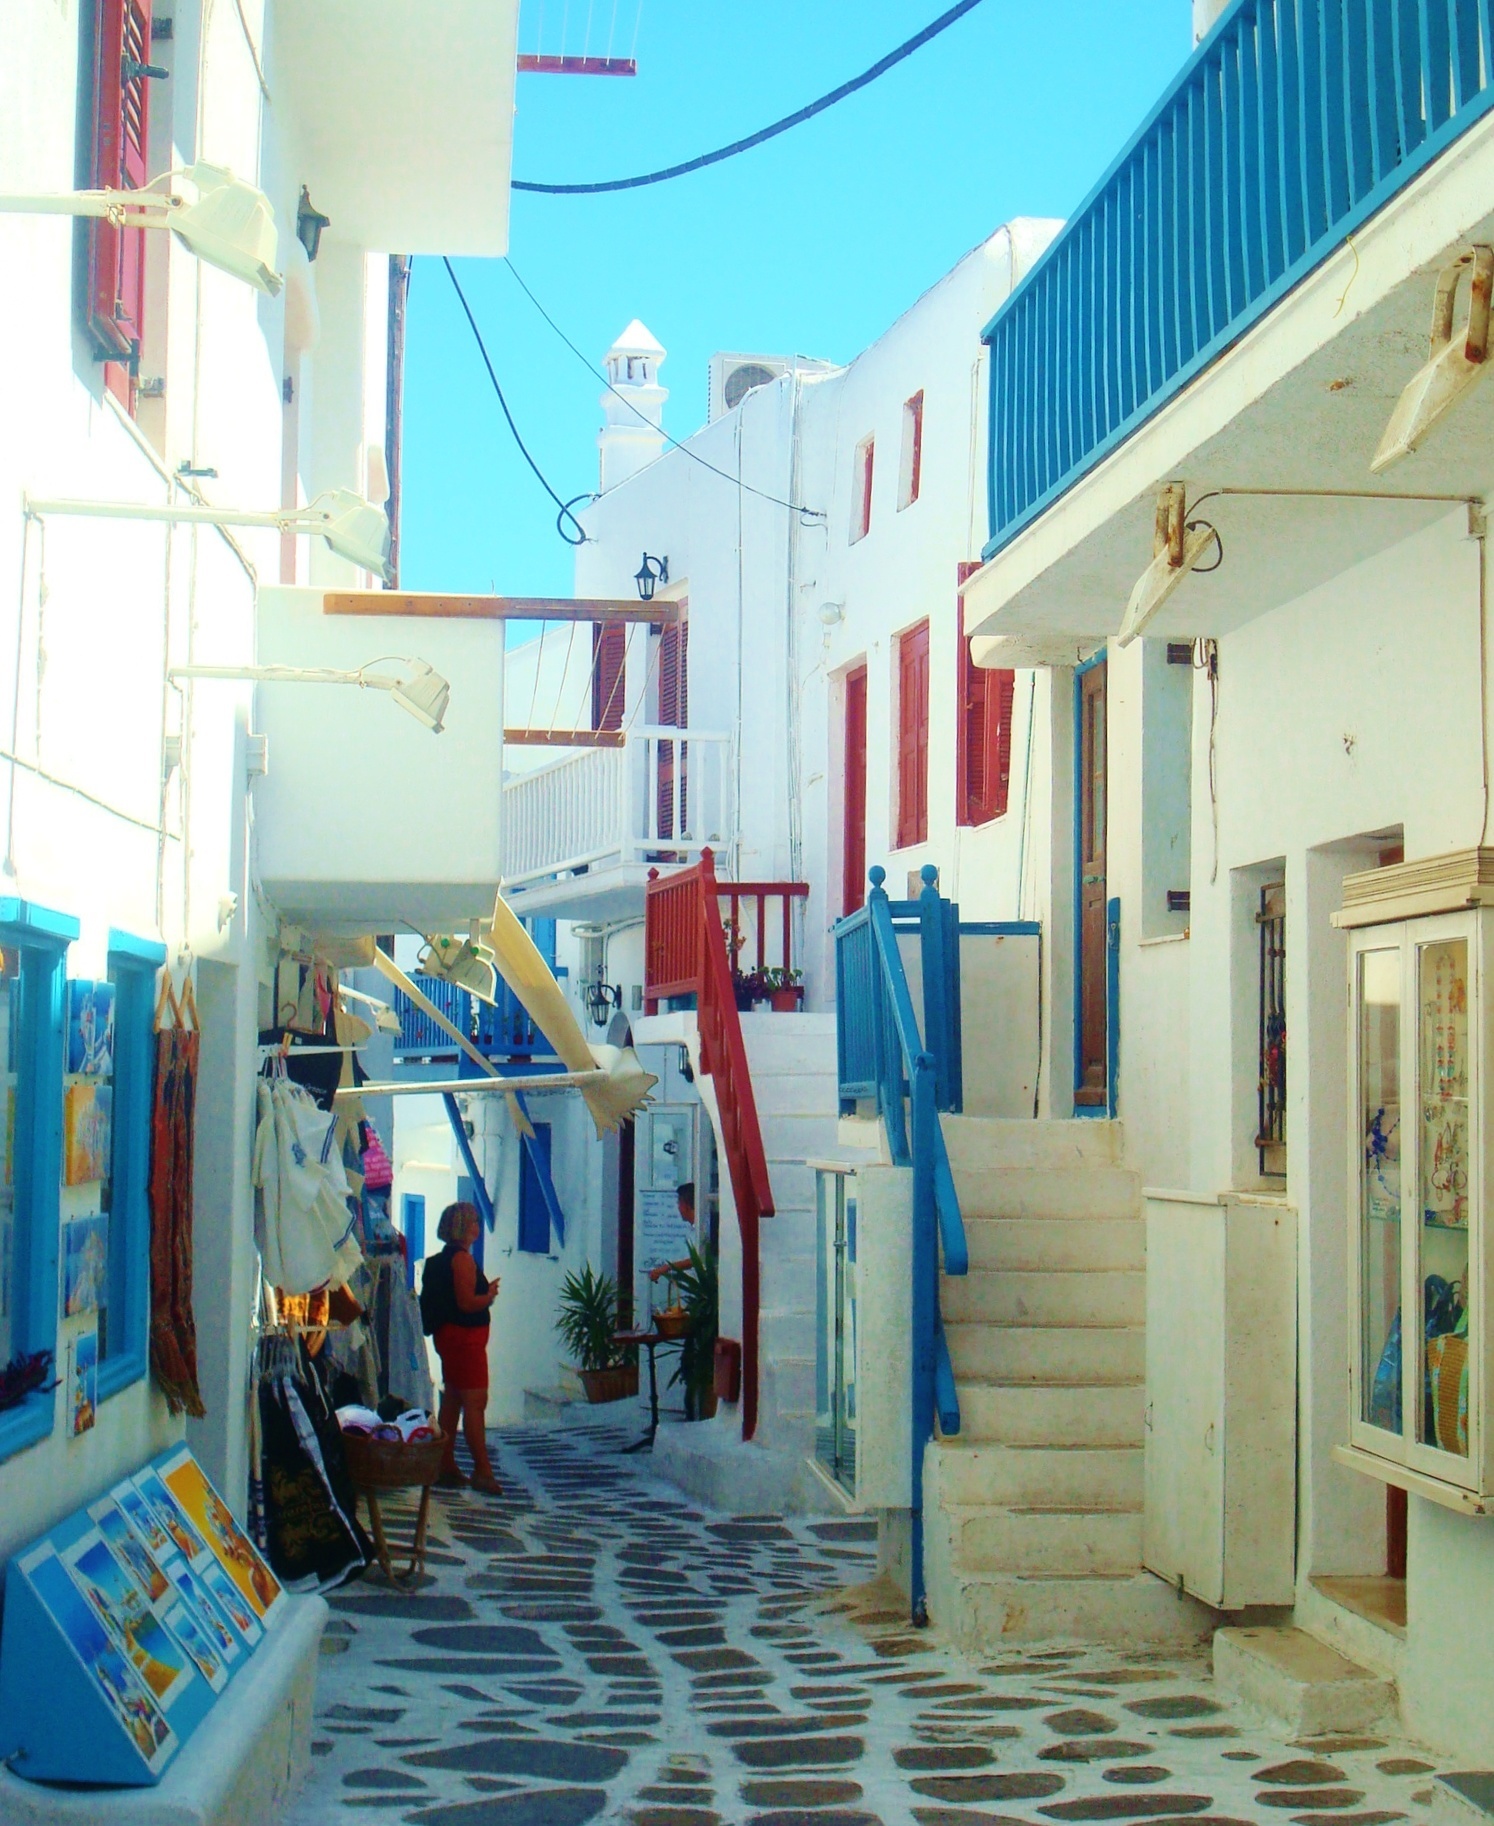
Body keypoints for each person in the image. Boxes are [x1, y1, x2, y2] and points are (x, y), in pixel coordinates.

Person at [422, 1202, 501, 1494]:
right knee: (475, 1403)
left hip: (451, 1339)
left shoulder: (443, 1260)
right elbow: (467, 1303)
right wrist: (489, 1295)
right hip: (465, 1341)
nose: (477, 1228)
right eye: (473, 1223)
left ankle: (445, 1464)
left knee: (453, 1399)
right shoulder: (462, 1260)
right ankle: (482, 1469)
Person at [647, 1181, 697, 1288]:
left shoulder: (701, 1230)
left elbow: (696, 1259)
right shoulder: (691, 1229)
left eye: (679, 1203)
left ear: (686, 1205)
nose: (678, 1208)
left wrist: (666, 1268)